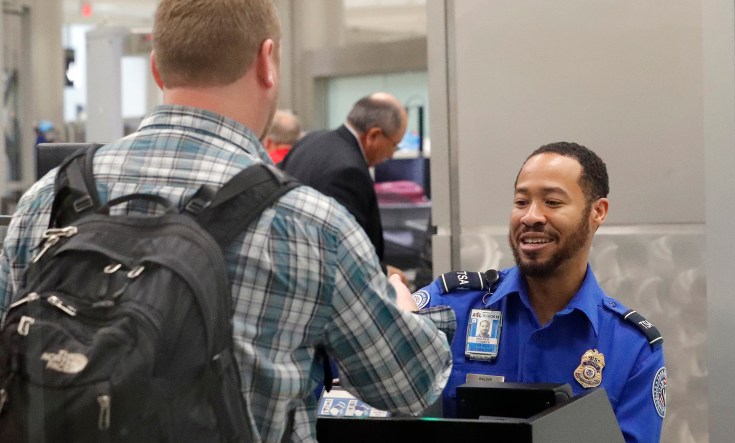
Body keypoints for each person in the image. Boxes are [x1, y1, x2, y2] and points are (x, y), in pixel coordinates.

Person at [0, 1, 455, 441]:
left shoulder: (48, 199)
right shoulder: (310, 225)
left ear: (157, 68)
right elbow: (409, 385)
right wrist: (405, 308)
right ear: (267, 62)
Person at [411, 142, 665, 443]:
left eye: (553, 202)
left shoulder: (632, 348)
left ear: (597, 212)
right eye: (521, 202)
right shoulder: (449, 307)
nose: (531, 216)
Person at [280, 92, 408, 283]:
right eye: (394, 146)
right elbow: (343, 255)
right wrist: (387, 274)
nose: (390, 156)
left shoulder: (309, 141)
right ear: (374, 135)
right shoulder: (349, 171)